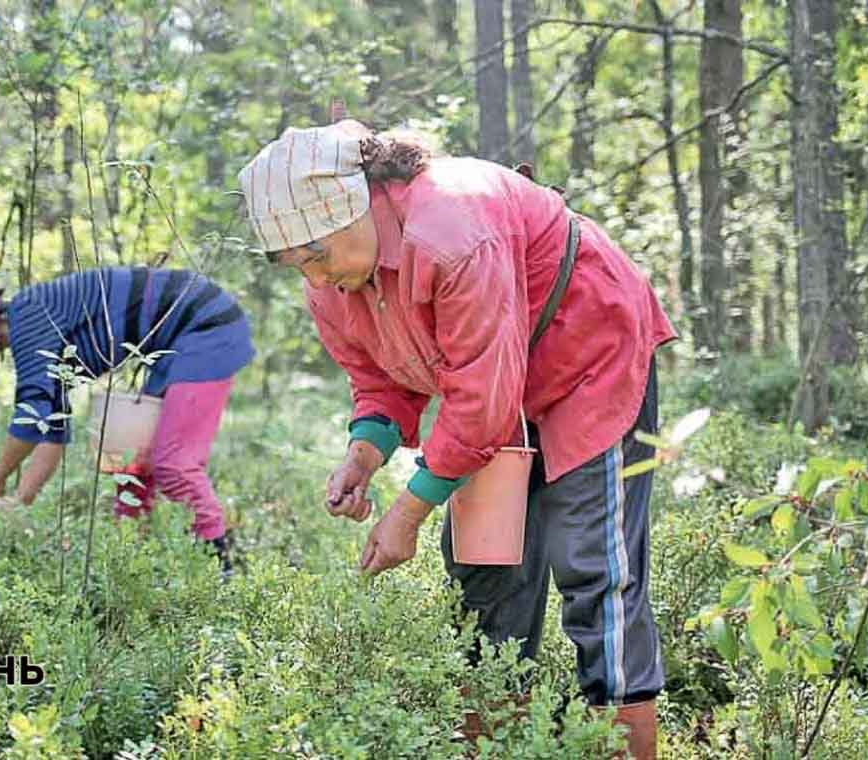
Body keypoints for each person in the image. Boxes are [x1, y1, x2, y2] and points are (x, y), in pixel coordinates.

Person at [237, 120, 675, 758]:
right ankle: (494, 745)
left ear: (353, 206)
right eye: (296, 264)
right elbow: (379, 376)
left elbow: (481, 402)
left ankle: (624, 748)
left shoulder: (450, 229)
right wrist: (364, 454)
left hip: (589, 357)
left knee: (593, 565)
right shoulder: (332, 284)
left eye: (318, 253)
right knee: (486, 565)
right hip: (494, 384)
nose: (316, 276)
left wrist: (408, 510)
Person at [0, 266, 254, 575]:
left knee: (174, 465)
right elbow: (53, 431)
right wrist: (20, 501)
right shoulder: (31, 329)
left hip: (204, 324)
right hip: (179, 339)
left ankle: (220, 564)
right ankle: (130, 563)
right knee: (132, 466)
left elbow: (29, 422)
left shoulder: (28, 318)